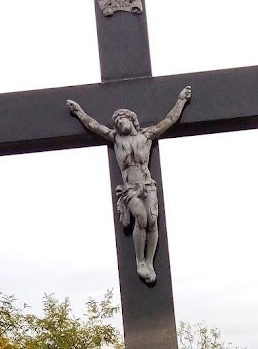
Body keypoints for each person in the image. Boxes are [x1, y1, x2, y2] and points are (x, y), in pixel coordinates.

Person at [66, 86, 192, 284]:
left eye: (120, 119)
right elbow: (94, 125)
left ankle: (149, 262)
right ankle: (140, 261)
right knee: (141, 218)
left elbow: (169, 120)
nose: (118, 123)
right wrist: (78, 111)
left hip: (147, 185)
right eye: (115, 122)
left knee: (152, 220)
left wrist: (181, 100)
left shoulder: (147, 136)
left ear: (131, 119)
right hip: (130, 188)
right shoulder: (116, 139)